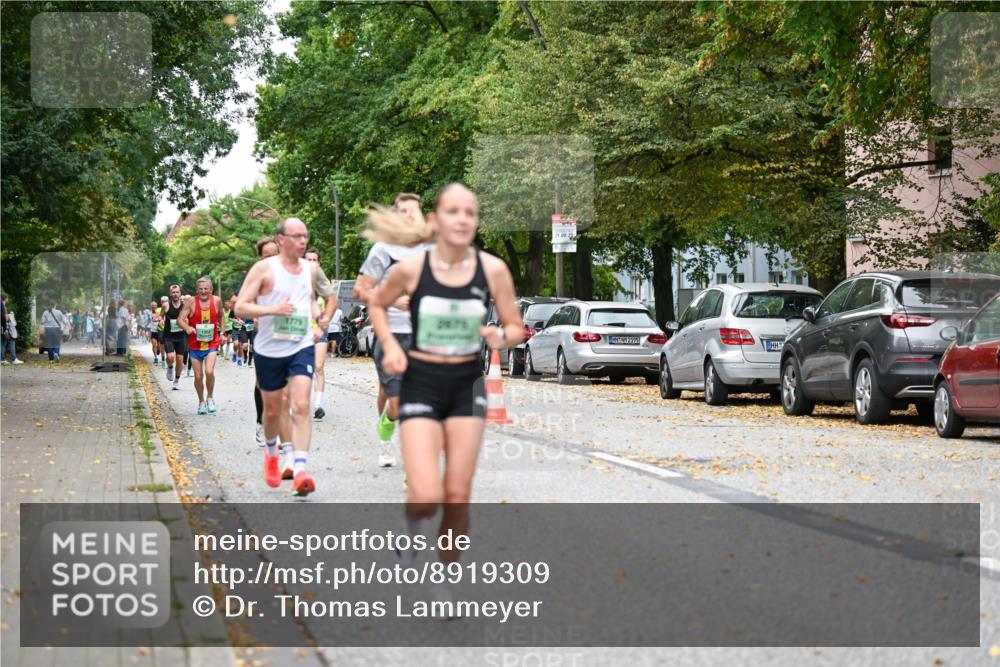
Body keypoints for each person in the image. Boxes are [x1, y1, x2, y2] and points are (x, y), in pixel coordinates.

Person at [367, 183, 522, 559]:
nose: (463, 219)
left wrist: (500, 336)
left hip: (466, 386)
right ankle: (411, 529)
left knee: (456, 494)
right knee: (424, 495)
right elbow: (377, 304)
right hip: (421, 382)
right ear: (435, 220)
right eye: (454, 211)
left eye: (470, 212)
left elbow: (516, 327)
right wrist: (390, 346)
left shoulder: (493, 270)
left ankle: (445, 576)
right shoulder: (412, 268)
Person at [235, 218, 334, 496]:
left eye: (305, 236)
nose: (303, 241)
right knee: (273, 411)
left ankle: (300, 469)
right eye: (296, 236)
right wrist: (272, 310)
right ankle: (271, 453)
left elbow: (328, 297)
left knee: (301, 404)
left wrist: (323, 320)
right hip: (269, 349)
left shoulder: (311, 270)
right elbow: (241, 307)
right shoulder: (263, 269)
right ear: (280, 239)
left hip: (301, 345)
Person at [354, 192, 430, 467]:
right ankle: (385, 439)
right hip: (391, 335)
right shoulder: (383, 250)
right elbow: (360, 290)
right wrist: (394, 300)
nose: (409, 216)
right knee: (393, 401)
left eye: (414, 211)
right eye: (403, 211)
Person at [178, 277, 224, 415]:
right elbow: (180, 320)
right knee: (198, 376)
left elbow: (221, 316)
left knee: (209, 371)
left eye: (206, 289)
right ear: (197, 290)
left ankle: (210, 398)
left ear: (211, 290)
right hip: (194, 344)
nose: (203, 291)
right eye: (201, 289)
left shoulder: (217, 301)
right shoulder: (191, 301)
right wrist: (187, 328)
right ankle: (201, 401)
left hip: (212, 343)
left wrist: (222, 333)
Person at [304, 247, 331, 419]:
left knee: (319, 367)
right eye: (309, 260)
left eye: (315, 260)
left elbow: (332, 304)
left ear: (319, 263)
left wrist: (325, 320)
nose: (312, 263)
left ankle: (318, 405)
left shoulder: (324, 285)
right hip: (301, 331)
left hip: (320, 331)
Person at [162, 285, 188, 390]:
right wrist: (160, 320)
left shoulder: (185, 306)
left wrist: (187, 322)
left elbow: (189, 317)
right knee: (170, 357)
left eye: (177, 292)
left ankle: (176, 381)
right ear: (170, 294)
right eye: (173, 292)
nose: (175, 294)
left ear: (180, 293)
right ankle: (170, 367)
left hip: (181, 336)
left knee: (180, 359)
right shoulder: (166, 305)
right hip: (169, 336)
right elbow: (160, 316)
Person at [1, 295, 22, 364]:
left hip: (2, 328)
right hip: (5, 328)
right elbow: (4, 318)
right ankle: (14, 359)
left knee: (3, 343)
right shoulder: (2, 306)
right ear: (6, 299)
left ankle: (2, 359)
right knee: (12, 341)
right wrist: (10, 316)